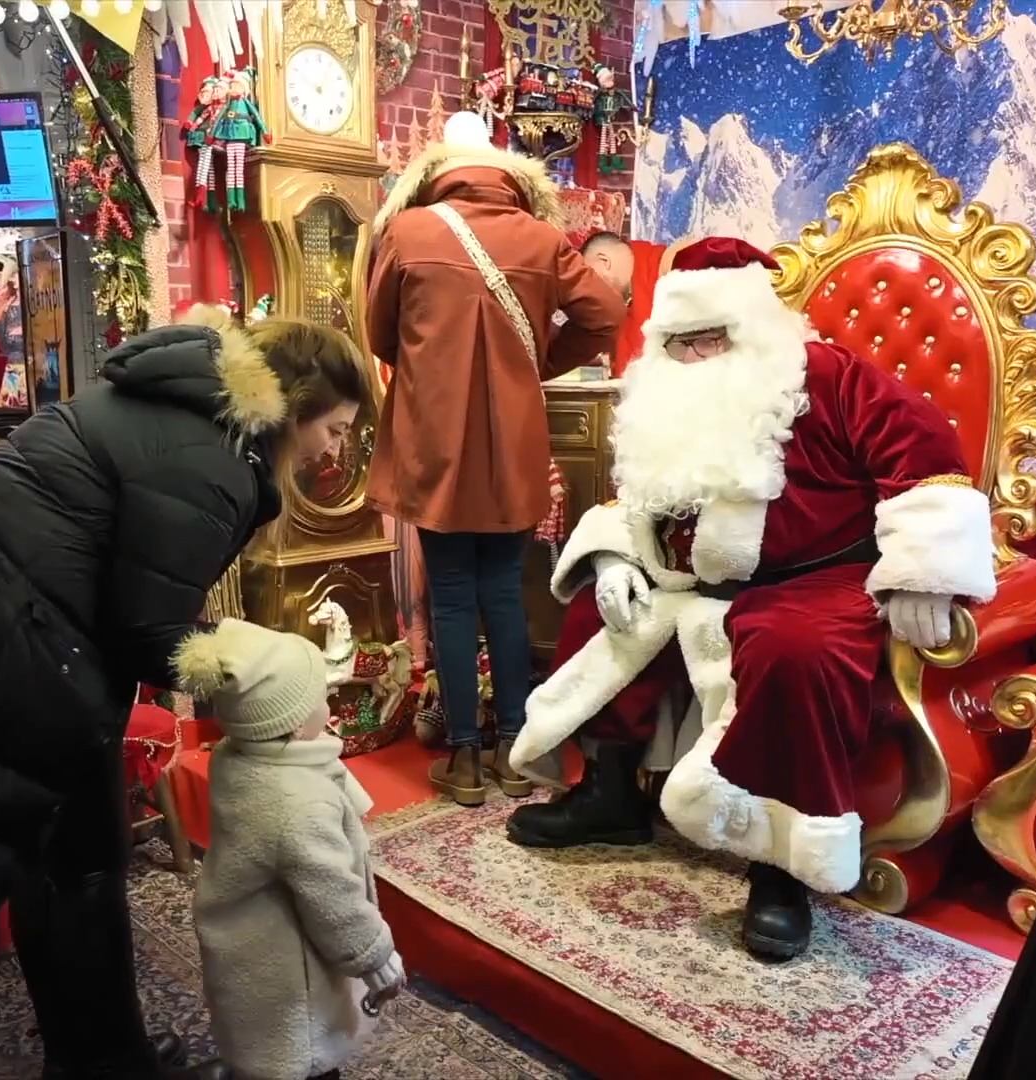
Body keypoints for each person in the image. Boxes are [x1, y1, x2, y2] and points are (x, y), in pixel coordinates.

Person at [0, 305, 378, 1080]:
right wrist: (280, 677)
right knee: (78, 861)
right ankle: (106, 1063)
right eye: (336, 428)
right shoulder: (213, 459)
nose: (333, 450)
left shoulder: (191, 406)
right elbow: (149, 629)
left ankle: (100, 1056)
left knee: (65, 859)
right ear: (297, 405)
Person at [501, 238, 999, 963]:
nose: (696, 357)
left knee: (796, 650)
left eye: (712, 338)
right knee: (600, 608)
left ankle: (782, 864)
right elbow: (634, 498)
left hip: (815, 576)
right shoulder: (660, 397)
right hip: (688, 578)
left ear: (755, 330)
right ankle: (611, 794)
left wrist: (924, 572)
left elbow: (925, 461)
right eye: (680, 342)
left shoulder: (828, 376)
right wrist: (612, 554)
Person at [365, 111, 627, 807]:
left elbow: (377, 333)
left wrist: (429, 367)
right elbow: (603, 315)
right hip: (515, 440)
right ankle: (516, 750)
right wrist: (538, 359)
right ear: (509, 176)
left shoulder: (408, 230)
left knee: (451, 596)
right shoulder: (543, 238)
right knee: (506, 592)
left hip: (435, 443)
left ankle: (464, 761)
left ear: (441, 170)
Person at [175, 619, 405, 1080]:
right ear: (296, 722)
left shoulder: (239, 756)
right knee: (302, 1063)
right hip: (288, 986)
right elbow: (333, 900)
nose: (328, 704)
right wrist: (376, 958)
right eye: (321, 697)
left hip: (251, 956)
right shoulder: (295, 805)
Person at [579, 232, 698, 377]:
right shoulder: (615, 316)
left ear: (603, 262)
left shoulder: (675, 261)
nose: (589, 294)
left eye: (587, 280)